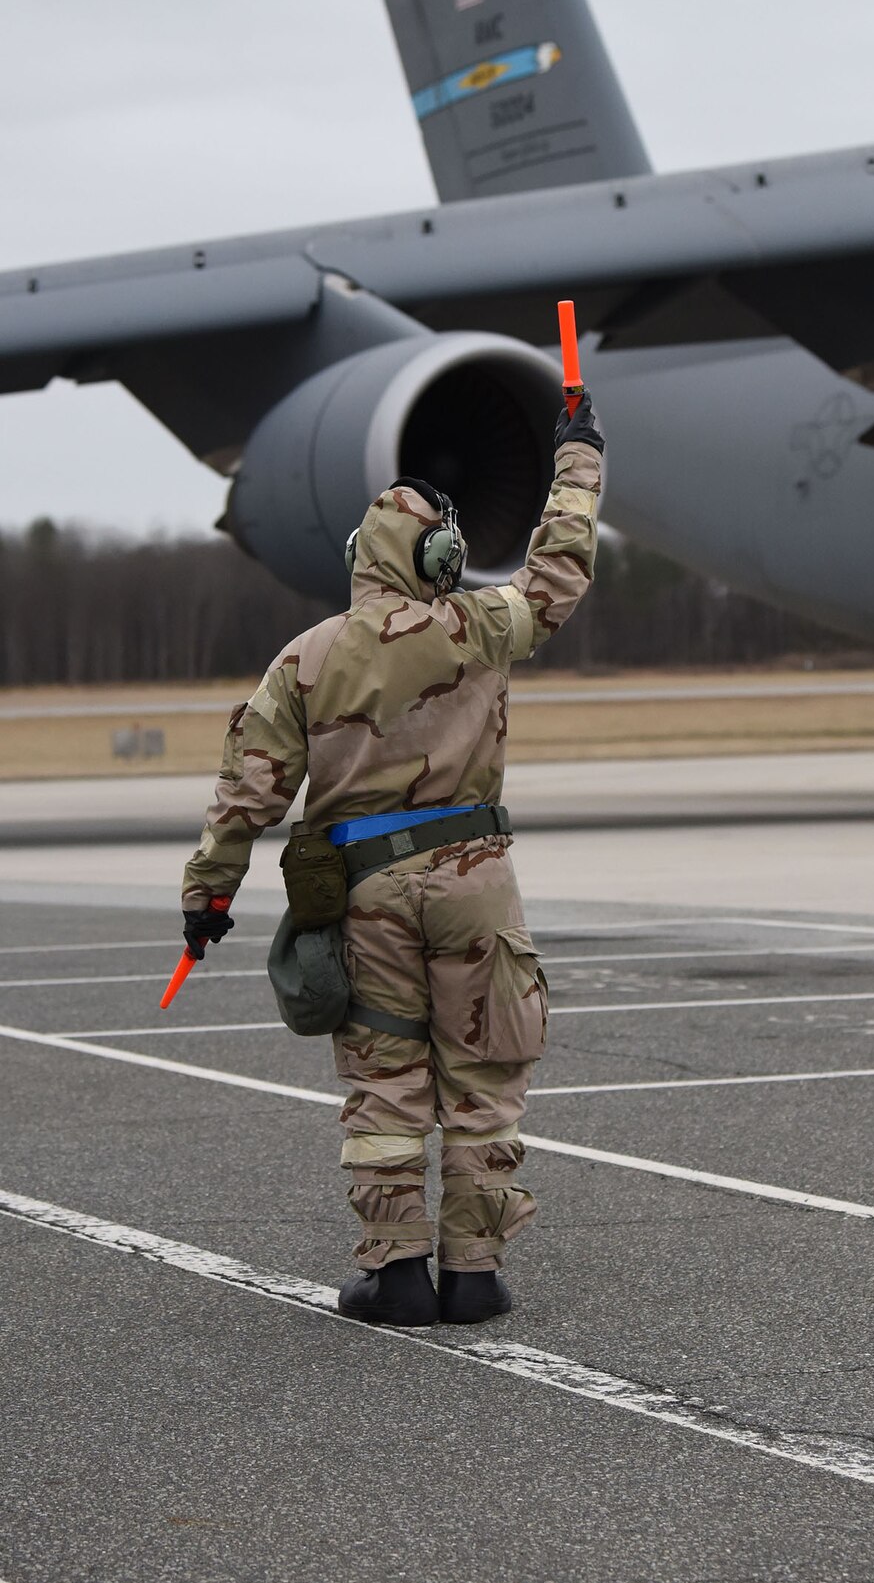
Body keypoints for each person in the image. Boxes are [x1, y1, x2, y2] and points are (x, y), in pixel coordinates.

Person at [178, 391, 604, 1327]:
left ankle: (396, 1271)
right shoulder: (483, 624)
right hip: (474, 882)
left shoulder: (305, 658)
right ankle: (475, 1272)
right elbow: (558, 571)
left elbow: (247, 789)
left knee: (385, 1079)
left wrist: (208, 898)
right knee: (484, 1072)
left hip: (363, 891)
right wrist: (576, 460)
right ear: (441, 558)